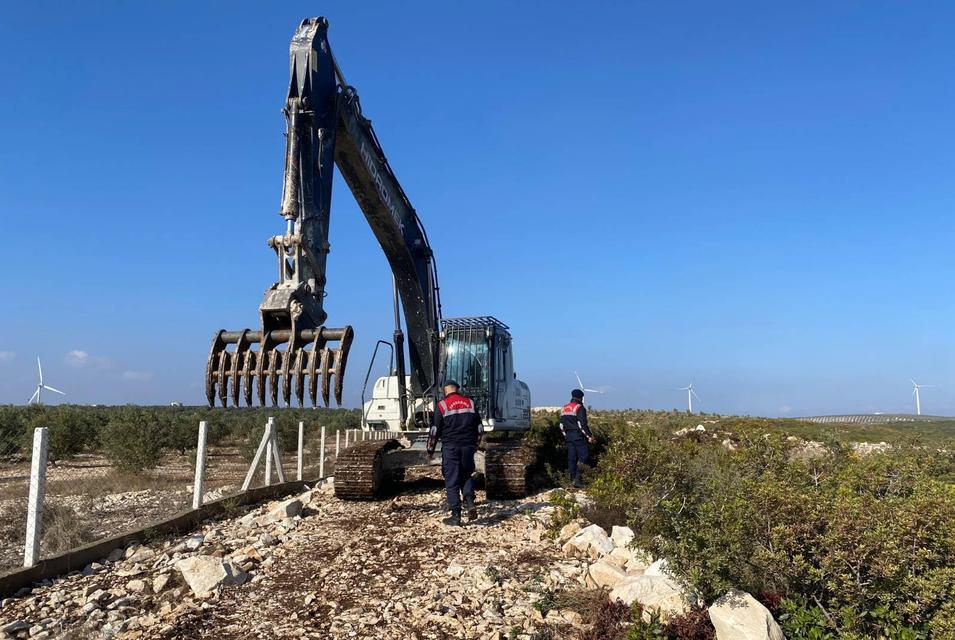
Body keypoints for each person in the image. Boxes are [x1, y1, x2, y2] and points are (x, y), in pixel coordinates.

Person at [427, 380, 481, 526]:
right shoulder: (470, 403)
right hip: (468, 446)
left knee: (452, 480)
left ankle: (456, 516)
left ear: (445, 391)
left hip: (451, 447)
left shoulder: (442, 405)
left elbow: (434, 432)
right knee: (466, 474)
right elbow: (480, 428)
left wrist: (430, 450)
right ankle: (470, 503)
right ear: (458, 389)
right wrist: (475, 444)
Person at [560, 389, 594, 488]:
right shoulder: (579, 407)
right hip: (578, 436)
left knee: (571, 458)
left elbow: (561, 425)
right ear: (581, 397)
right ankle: (578, 479)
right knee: (584, 457)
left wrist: (566, 435)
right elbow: (582, 424)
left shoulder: (564, 408)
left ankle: (572, 479)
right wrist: (589, 436)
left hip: (569, 436)